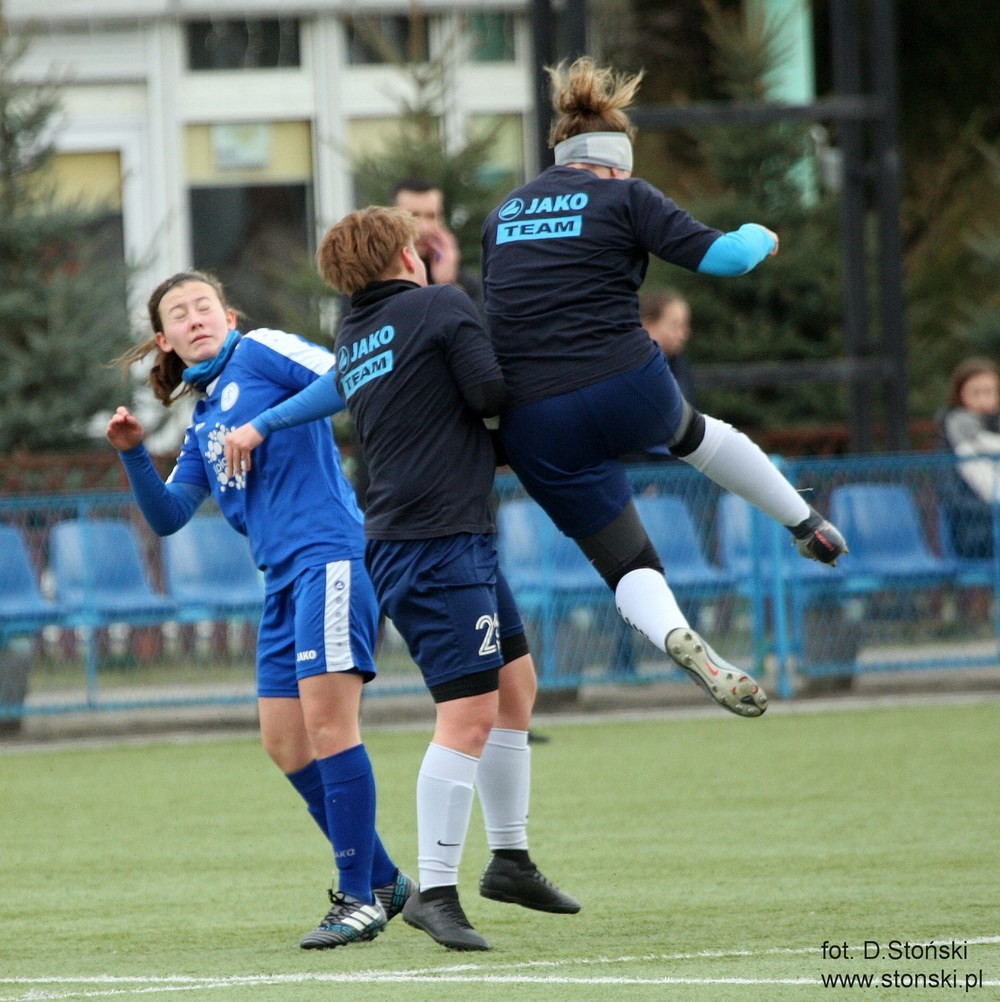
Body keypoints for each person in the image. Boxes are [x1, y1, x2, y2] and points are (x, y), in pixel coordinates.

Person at [230, 206, 579, 951]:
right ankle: (437, 894)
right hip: (436, 540)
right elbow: (488, 394)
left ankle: (510, 860)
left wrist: (265, 423)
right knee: (469, 715)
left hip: (433, 534)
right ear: (406, 256)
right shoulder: (440, 305)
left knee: (515, 685)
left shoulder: (357, 333)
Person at [480, 57, 848, 717]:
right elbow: (727, 258)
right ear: (616, 162)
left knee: (626, 562)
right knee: (697, 437)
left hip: (532, 417)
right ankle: (807, 522)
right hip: (625, 381)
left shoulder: (502, 215)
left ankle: (676, 634)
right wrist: (760, 234)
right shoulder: (624, 196)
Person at [106, 271, 412, 951]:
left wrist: (263, 424)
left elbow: (347, 377)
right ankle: (387, 880)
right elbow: (170, 516)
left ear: (229, 315)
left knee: (330, 728)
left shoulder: (262, 350)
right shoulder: (205, 418)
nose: (194, 318)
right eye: (178, 314)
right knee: (285, 743)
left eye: (203, 306)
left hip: (330, 559)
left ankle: (358, 899)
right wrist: (133, 456)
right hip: (281, 583)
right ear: (165, 339)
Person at [938, 356, 1000, 557]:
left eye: (989, 391)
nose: (983, 399)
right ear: (960, 395)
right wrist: (994, 510)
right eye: (975, 392)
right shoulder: (952, 440)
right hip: (973, 533)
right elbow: (952, 497)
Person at [391, 177, 483, 312]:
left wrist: (447, 285)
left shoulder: (459, 280)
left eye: (431, 216)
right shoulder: (375, 275)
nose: (424, 228)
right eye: (412, 216)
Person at [641, 289, 696, 405]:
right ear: (648, 325)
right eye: (675, 325)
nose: (684, 334)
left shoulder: (679, 365)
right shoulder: (630, 368)